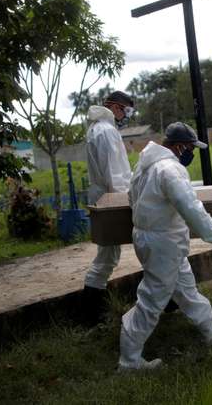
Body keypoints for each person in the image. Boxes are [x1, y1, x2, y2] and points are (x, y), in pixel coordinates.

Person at [119, 122, 212, 370]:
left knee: (185, 288)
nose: (191, 154)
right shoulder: (170, 169)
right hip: (163, 242)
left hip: (153, 237)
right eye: (190, 148)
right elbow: (191, 208)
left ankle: (210, 330)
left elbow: (131, 198)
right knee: (152, 299)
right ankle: (129, 360)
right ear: (180, 146)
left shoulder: (144, 164)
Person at [82, 90, 135, 324]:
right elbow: (114, 174)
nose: (126, 116)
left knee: (107, 256)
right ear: (114, 107)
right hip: (110, 198)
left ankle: (93, 314)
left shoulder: (98, 129)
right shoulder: (106, 131)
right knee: (107, 258)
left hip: (104, 196)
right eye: (126, 111)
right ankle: (92, 315)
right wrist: (124, 202)